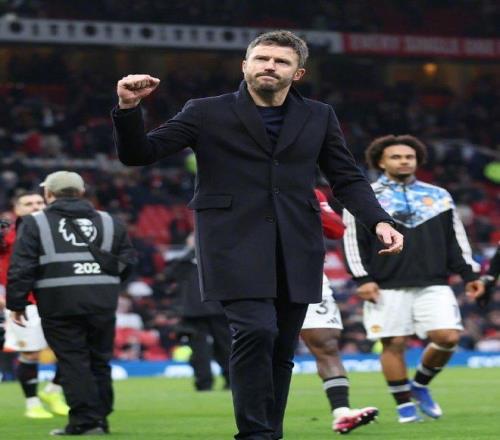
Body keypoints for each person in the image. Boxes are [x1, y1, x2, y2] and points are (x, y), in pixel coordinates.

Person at [112, 30, 403, 440]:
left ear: (297, 73)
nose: (270, 66)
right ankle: (254, 435)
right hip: (231, 243)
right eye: (262, 58)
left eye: (281, 61)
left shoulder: (319, 115)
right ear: (245, 65)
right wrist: (128, 108)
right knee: (256, 331)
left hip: (297, 244)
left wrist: (379, 221)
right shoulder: (205, 111)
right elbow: (139, 154)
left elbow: (347, 177)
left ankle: (269, 433)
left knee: (281, 348)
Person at [342, 134, 485, 424]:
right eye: (396, 157)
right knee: (393, 343)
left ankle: (419, 384)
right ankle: (404, 405)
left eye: (409, 156)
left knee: (448, 337)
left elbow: (456, 238)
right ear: (381, 162)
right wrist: (362, 278)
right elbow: (351, 239)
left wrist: (469, 273)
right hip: (385, 284)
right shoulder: (364, 196)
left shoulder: (439, 196)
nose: (404, 161)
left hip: (434, 281)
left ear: (418, 161)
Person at [7, 171, 136, 436]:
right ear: (81, 192)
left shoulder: (34, 223)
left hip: (58, 303)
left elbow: (21, 267)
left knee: (73, 360)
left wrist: (16, 304)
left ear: (48, 194)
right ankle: (100, 419)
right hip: (102, 302)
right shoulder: (110, 221)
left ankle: (85, 421)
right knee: (99, 360)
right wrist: (103, 283)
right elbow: (128, 263)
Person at [300, 188, 378, 434]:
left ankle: (342, 413)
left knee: (326, 344)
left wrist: (311, 207)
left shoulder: (310, 192)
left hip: (307, 273)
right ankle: (258, 419)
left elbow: (335, 229)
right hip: (259, 276)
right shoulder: (245, 189)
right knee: (261, 345)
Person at [1, 191, 69, 419]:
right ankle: (33, 404)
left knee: (72, 349)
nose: (35, 206)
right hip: (25, 303)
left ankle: (53, 392)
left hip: (58, 299)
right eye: (28, 203)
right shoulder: (6, 234)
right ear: (16, 209)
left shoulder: (59, 230)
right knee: (31, 354)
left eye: (40, 202)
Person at [164, 233, 231, 391]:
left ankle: (227, 381)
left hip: (211, 309)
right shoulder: (186, 260)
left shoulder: (213, 256)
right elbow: (169, 275)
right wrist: (191, 251)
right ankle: (207, 382)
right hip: (199, 310)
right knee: (201, 350)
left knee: (224, 348)